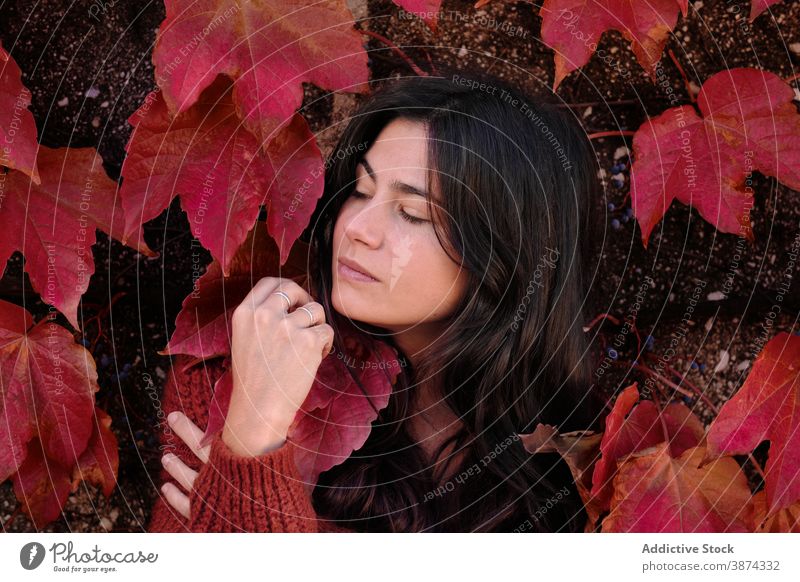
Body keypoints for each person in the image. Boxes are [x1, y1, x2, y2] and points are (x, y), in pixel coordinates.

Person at [148, 68, 604, 533]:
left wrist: (265, 518)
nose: (357, 228)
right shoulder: (236, 368)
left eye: (411, 213)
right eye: (360, 191)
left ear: (506, 260)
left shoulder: (586, 455)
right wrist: (253, 430)